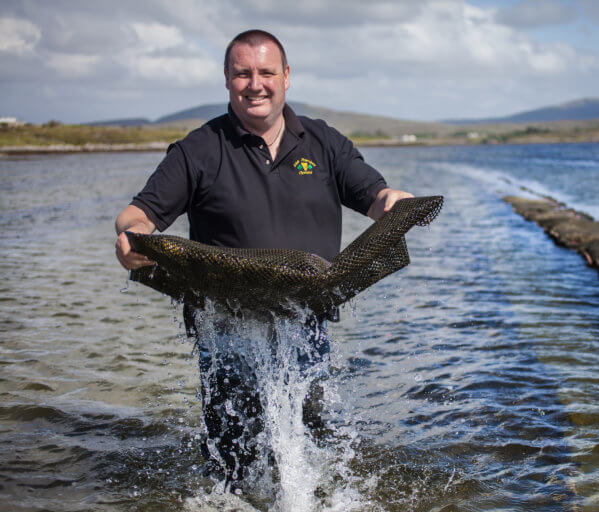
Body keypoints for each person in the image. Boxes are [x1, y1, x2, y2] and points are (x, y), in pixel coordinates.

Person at [114, 29, 412, 483]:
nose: (255, 84)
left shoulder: (323, 142)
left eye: (266, 72)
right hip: (226, 328)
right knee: (234, 458)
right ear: (227, 80)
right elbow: (138, 215)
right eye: (242, 73)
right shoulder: (199, 148)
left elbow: (375, 196)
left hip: (303, 321)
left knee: (314, 449)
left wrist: (392, 200)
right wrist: (130, 236)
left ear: (286, 77)